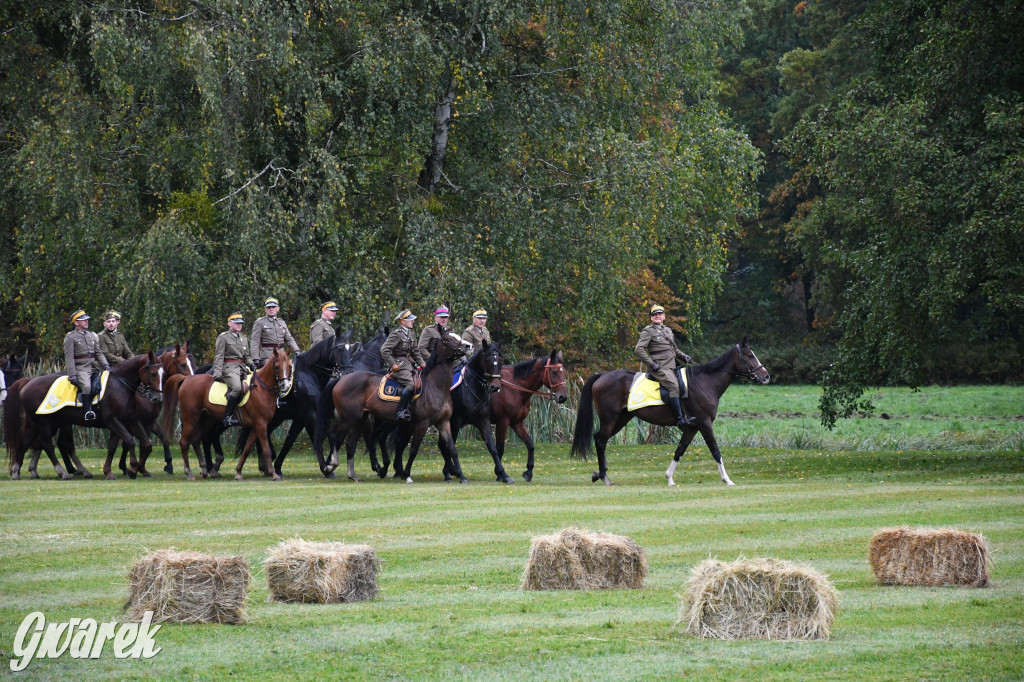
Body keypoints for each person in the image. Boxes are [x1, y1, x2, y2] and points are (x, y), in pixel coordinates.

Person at [634, 304, 695, 427]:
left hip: (672, 366)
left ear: (664, 316)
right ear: (651, 318)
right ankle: (680, 420)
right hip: (659, 367)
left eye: (660, 314)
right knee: (674, 386)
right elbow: (639, 350)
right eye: (654, 314)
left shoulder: (667, 330)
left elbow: (674, 349)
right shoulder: (648, 331)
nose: (657, 316)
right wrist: (651, 364)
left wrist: (684, 356)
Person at [381, 309, 427, 420]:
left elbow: (415, 352)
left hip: (409, 365)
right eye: (410, 320)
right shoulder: (396, 334)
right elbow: (384, 350)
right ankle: (401, 411)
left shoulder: (411, 334)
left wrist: (422, 362)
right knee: (411, 385)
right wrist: (392, 364)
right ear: (402, 322)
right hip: (399, 366)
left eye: (412, 320)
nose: (413, 321)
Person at [63, 309, 109, 421]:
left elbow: (98, 353)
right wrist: (72, 375)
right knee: (87, 387)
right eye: (83, 320)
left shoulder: (92, 335)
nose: (86, 322)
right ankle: (87, 412)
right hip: (81, 369)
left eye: (87, 320)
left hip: (95, 366)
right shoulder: (71, 337)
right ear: (76, 322)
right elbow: (69, 358)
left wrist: (106, 365)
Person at [214, 312, 252, 427]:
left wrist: (253, 365)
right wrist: (217, 373)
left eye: (240, 323)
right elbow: (219, 356)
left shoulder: (244, 339)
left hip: (242, 368)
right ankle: (228, 416)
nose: (239, 325)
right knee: (237, 388)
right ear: (229, 323)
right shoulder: (223, 337)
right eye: (236, 323)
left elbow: (247, 357)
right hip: (228, 368)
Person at [251, 297, 300, 367]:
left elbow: (289, 339)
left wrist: (297, 350)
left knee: (288, 372)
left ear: (278, 308)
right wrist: (255, 358)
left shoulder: (282, 323)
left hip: (281, 355)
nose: (271, 309)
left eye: (273, 307)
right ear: (265, 309)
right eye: (269, 307)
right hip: (267, 357)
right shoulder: (260, 322)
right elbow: (255, 341)